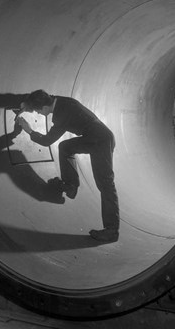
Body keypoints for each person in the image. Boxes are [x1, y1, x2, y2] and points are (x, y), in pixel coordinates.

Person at [16, 90, 120, 243]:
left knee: (105, 184)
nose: (39, 113)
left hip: (101, 141)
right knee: (65, 147)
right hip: (93, 137)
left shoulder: (61, 115)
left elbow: (46, 141)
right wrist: (27, 105)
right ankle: (71, 185)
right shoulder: (59, 100)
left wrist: (28, 129)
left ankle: (112, 231)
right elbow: (40, 95)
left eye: (38, 111)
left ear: (45, 107)